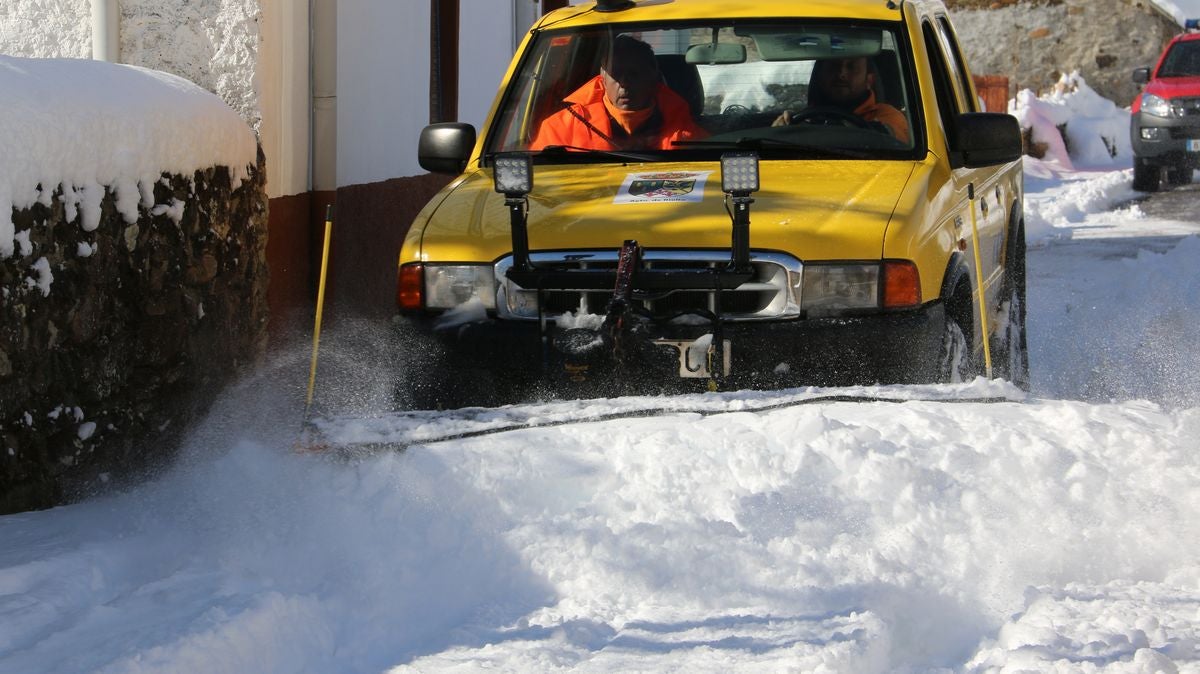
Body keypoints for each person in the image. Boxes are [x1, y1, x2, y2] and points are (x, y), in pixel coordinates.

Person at [530, 35, 708, 151]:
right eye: (616, 74)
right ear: (602, 78)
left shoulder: (686, 126)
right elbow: (542, 184)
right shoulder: (561, 128)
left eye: (634, 74)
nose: (624, 83)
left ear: (654, 75)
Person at [774, 56, 910, 143]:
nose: (841, 73)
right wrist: (780, 132)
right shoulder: (802, 119)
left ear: (869, 80)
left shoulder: (888, 116)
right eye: (833, 66)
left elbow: (896, 142)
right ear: (820, 77)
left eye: (852, 67)